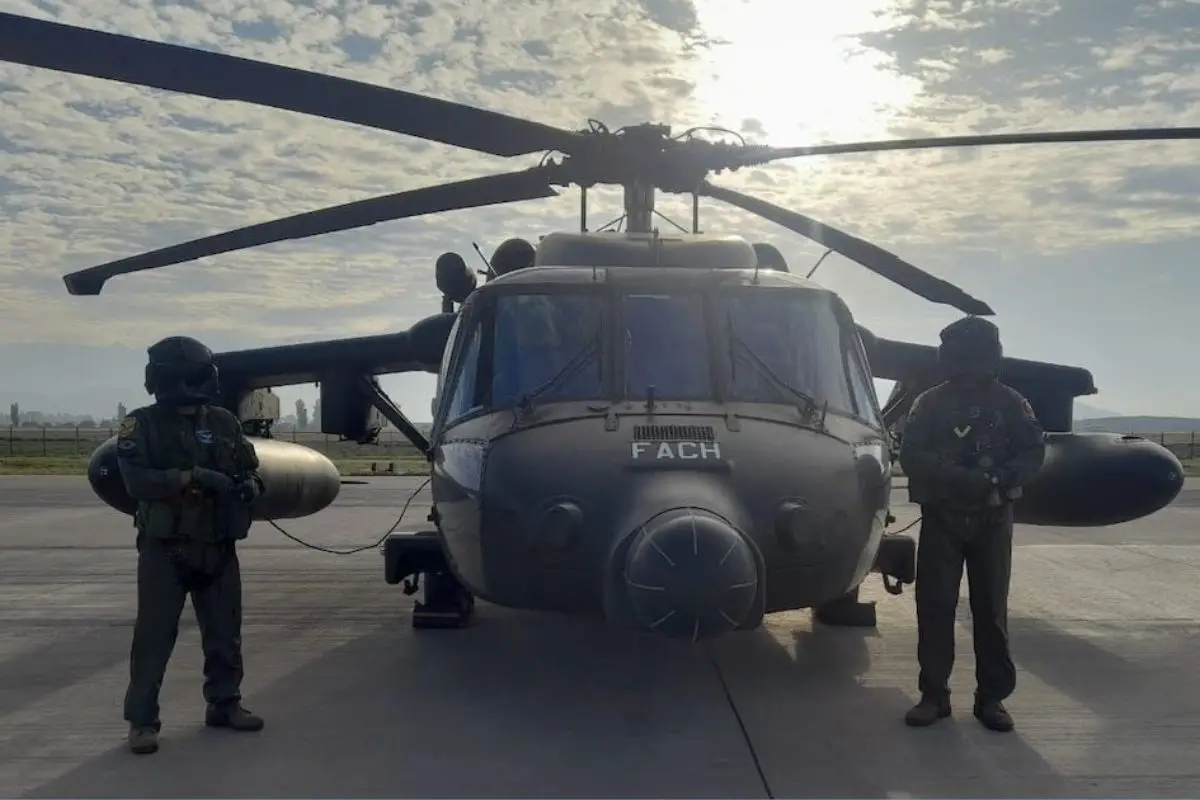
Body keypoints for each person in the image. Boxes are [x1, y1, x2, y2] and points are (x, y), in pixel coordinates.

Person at [117, 335, 266, 755]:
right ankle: (142, 721)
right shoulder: (141, 425)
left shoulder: (222, 422)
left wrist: (250, 487)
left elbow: (248, 468)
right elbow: (137, 482)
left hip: (217, 545)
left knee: (224, 633)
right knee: (153, 636)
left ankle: (225, 703)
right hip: (166, 549)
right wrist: (191, 477)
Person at [897, 316, 1046, 732]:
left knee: (990, 609)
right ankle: (934, 694)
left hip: (992, 516)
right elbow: (912, 453)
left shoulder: (1011, 402)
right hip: (943, 515)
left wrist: (996, 478)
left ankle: (992, 697)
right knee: (935, 606)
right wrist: (956, 479)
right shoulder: (929, 403)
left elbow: (1033, 451)